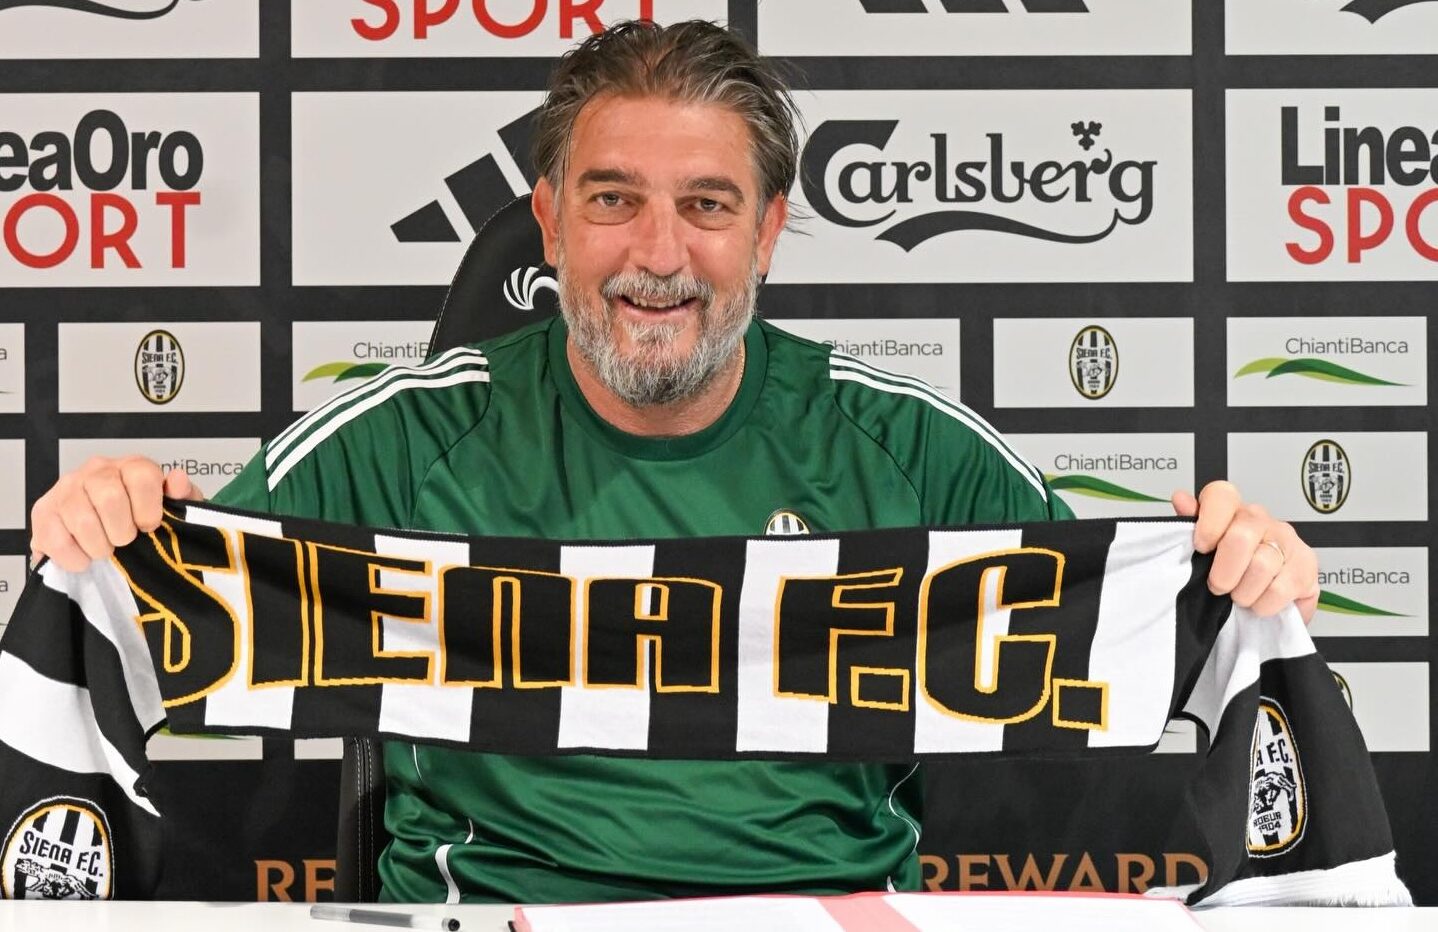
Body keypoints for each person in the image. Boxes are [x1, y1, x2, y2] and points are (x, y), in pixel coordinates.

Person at [27, 20, 1319, 904]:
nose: (658, 254)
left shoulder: (902, 442)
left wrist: (1237, 580)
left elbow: (1125, 623)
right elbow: (156, 604)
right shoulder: (402, 440)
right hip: (498, 914)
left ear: (769, 231)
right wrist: (109, 524)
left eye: (706, 205)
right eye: (612, 200)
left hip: (823, 918)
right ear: (548, 220)